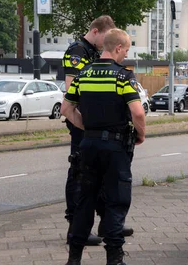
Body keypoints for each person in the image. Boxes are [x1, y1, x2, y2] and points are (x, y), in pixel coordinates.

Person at [62, 29, 146, 265]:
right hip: (115, 148)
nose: (126, 54)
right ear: (118, 47)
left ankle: (74, 258)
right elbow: (137, 112)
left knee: (85, 202)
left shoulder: (84, 73)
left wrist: (86, 127)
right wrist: (141, 134)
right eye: (126, 50)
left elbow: (66, 109)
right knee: (116, 202)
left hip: (88, 145)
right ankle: (114, 259)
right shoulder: (123, 77)